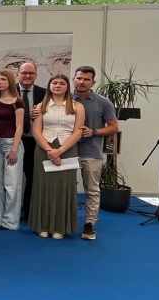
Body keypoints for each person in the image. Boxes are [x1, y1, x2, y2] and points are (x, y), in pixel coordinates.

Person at [29, 75, 85, 239]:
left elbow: (78, 131)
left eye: (62, 83)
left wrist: (59, 151)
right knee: (43, 187)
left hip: (67, 149)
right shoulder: (41, 106)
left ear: (67, 87)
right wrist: (49, 150)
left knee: (64, 188)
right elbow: (36, 131)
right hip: (44, 149)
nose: (58, 85)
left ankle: (60, 227)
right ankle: (43, 225)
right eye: (54, 83)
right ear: (49, 86)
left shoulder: (78, 106)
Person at [72, 66, 119, 240]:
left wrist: (94, 132)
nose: (81, 82)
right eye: (78, 78)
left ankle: (89, 224)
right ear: (74, 79)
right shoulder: (65, 99)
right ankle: (65, 222)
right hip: (68, 152)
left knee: (92, 190)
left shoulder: (103, 102)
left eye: (86, 79)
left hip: (91, 152)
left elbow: (114, 127)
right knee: (67, 189)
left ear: (93, 82)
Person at [0, 69, 25, 230]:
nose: (0, 82)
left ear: (9, 81)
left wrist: (15, 149)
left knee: (12, 184)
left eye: (3, 79)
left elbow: (20, 127)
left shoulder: (18, 101)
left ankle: (10, 221)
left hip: (12, 144)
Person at [17, 62, 46, 222]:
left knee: (32, 178)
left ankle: (28, 213)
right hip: (13, 141)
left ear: (35, 74)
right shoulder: (8, 90)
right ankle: (11, 212)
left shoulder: (44, 93)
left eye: (31, 73)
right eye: (24, 73)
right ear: (18, 74)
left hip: (35, 142)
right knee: (11, 180)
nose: (27, 76)